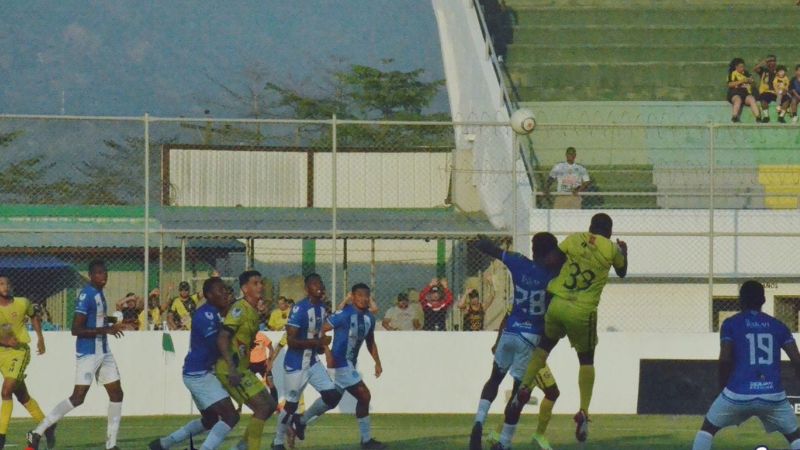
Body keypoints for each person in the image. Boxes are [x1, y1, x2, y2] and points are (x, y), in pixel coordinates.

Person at [520, 213, 628, 444]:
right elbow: (622, 271)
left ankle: (525, 386)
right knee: (586, 359)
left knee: (544, 348)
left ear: (590, 227)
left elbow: (552, 261)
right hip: (582, 310)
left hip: (558, 302)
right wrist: (624, 252)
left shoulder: (574, 238)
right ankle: (584, 411)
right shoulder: (611, 249)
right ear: (609, 231)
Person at [469, 234, 562, 450]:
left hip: (509, 332)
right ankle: (504, 442)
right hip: (530, 339)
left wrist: (481, 243)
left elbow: (493, 250)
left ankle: (478, 421)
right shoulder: (554, 275)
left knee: (493, 380)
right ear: (549, 253)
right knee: (520, 391)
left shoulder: (518, 261)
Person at [27, 260, 126, 450]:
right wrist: (107, 330)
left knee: (117, 393)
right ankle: (37, 432)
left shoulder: (99, 294)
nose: (103, 276)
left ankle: (111, 445)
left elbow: (96, 319)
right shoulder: (86, 295)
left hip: (104, 351)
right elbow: (76, 329)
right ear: (91, 275)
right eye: (98, 273)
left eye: (105, 272)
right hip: (88, 353)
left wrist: (115, 322)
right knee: (78, 397)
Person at [692, 280, 800, 450]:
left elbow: (725, 359)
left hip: (737, 394)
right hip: (773, 395)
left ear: (740, 300)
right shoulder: (779, 326)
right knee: (795, 436)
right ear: (763, 300)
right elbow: (797, 360)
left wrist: (722, 386)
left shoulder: (731, 324)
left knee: (707, 430)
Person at [149, 277, 239, 450]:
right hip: (200, 374)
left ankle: (163, 444)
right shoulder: (206, 315)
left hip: (197, 372)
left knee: (210, 420)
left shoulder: (216, 312)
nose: (225, 293)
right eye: (220, 290)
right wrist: (233, 364)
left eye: (225, 289)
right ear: (209, 295)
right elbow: (219, 343)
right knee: (231, 416)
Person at [272, 273, 341, 450]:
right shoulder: (299, 309)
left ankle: (301, 421)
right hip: (296, 365)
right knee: (291, 404)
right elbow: (291, 341)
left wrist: (320, 347)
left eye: (321, 283)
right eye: (315, 284)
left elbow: (316, 335)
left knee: (332, 396)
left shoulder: (322, 308)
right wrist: (318, 343)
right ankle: (278, 441)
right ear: (307, 288)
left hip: (312, 362)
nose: (320, 286)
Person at [215, 270, 277, 450]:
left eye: (261, 282)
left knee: (271, 405)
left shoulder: (253, 310)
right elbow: (223, 337)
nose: (260, 286)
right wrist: (232, 368)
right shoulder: (239, 309)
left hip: (242, 368)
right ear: (244, 288)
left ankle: (240, 447)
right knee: (262, 408)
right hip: (230, 369)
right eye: (255, 283)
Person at [322, 283, 386, 449]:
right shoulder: (343, 314)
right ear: (353, 296)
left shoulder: (369, 318)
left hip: (349, 364)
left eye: (367, 296)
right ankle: (366, 440)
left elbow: (370, 341)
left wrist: (377, 362)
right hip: (339, 362)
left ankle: (299, 422)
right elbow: (322, 329)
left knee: (331, 400)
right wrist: (326, 351)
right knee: (364, 395)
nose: (364, 299)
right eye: (360, 295)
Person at [0, 276, 51, 450]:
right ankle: (48, 425)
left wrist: (40, 338)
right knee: (22, 396)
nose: (4, 286)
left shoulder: (22, 302)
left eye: (7, 283)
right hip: (2, 354)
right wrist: (5, 342)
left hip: (19, 353)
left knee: (6, 391)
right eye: (1, 284)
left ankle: (1, 437)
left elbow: (34, 316)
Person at [726, 57, 760, 123]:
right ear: (736, 67)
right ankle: (734, 117)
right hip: (735, 93)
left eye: (743, 66)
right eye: (741, 67)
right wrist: (741, 81)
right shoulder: (732, 73)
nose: (743, 68)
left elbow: (753, 84)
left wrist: (751, 81)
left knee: (752, 99)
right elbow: (730, 84)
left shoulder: (746, 73)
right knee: (738, 100)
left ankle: (758, 117)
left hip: (745, 93)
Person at [249, 329, 279, 403]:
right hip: (250, 364)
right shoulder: (246, 337)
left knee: (270, 382)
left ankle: (275, 403)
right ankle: (254, 405)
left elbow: (271, 349)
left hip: (263, 363)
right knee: (250, 386)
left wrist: (270, 361)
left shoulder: (261, 335)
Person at [754, 55, 779, 123]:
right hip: (766, 92)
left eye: (773, 61)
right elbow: (755, 69)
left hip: (776, 92)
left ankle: (782, 117)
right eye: (770, 61)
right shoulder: (763, 71)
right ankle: (766, 116)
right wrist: (763, 62)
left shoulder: (779, 70)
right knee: (763, 100)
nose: (772, 62)